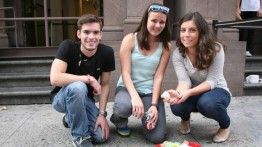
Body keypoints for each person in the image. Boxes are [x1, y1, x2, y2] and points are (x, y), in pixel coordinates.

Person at [162, 12, 231, 143]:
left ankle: (225, 125)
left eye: (192, 30)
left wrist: (189, 92)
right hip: (192, 92)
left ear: (201, 32)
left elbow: (212, 81)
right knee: (177, 106)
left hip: (216, 90)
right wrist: (178, 94)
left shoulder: (216, 49)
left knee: (207, 104)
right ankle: (185, 118)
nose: (186, 35)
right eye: (183, 30)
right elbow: (184, 81)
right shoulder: (178, 53)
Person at [50, 14, 115, 147]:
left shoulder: (107, 52)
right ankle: (80, 137)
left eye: (96, 32)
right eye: (86, 32)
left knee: (100, 136)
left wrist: (102, 114)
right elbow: (55, 78)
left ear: (101, 35)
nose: (91, 37)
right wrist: (88, 79)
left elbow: (106, 84)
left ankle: (69, 118)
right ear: (79, 34)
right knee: (79, 86)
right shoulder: (68, 46)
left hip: (85, 100)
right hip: (61, 98)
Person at [110, 3, 171, 144]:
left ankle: (150, 115)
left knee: (157, 137)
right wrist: (135, 97)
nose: (157, 25)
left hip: (149, 92)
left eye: (162, 22)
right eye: (154, 21)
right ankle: (119, 120)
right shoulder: (130, 39)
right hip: (127, 88)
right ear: (145, 20)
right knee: (124, 107)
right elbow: (125, 72)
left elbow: (158, 76)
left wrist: (154, 105)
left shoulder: (166, 45)